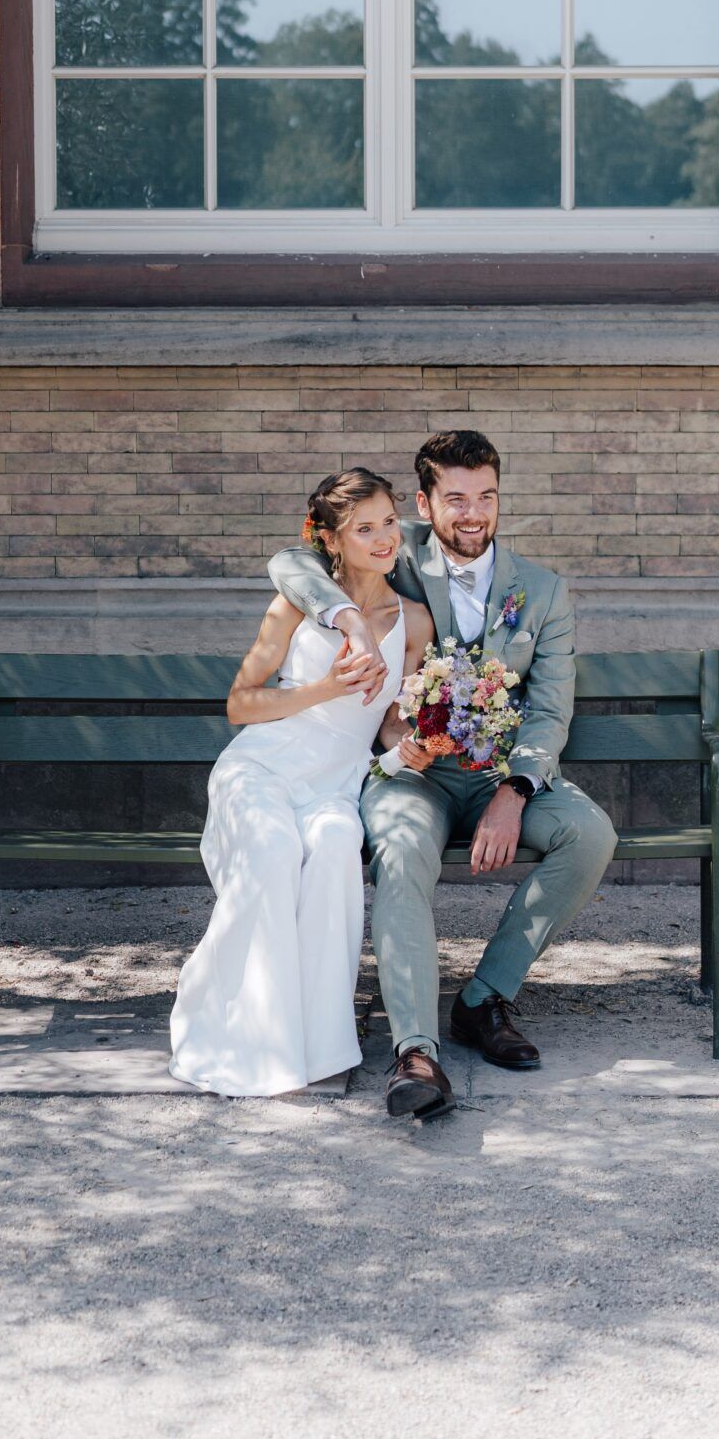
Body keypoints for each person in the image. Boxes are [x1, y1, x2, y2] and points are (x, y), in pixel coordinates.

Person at [268, 429, 617, 1122]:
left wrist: (515, 791)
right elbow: (291, 562)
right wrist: (348, 618)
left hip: (497, 774)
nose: (472, 514)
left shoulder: (542, 592)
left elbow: (548, 710)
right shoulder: (395, 565)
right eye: (454, 498)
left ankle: (484, 1000)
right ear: (424, 506)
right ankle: (415, 1051)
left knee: (590, 834)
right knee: (398, 850)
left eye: (485, 497)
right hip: (414, 775)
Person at [170, 468, 437, 1099]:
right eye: (363, 529)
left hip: (335, 784)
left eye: (389, 524)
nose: (382, 539)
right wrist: (326, 688)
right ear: (333, 541)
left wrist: (415, 745)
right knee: (272, 851)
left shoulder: (415, 622)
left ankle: (320, 1042)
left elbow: (390, 720)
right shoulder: (297, 602)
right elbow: (239, 705)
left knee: (338, 848)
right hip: (263, 766)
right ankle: (243, 1033)